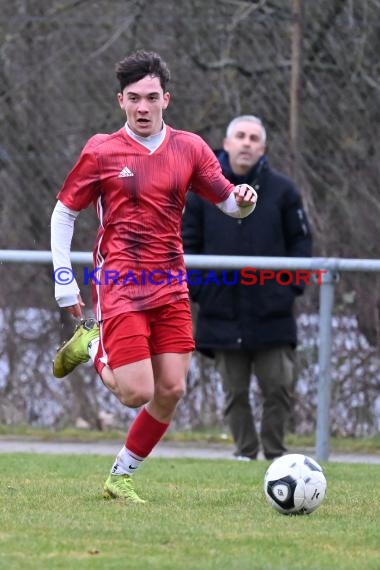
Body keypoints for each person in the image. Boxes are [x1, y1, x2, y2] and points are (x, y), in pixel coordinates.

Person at [50, 51, 257, 503]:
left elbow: (229, 203)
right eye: (133, 99)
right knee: (136, 393)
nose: (142, 108)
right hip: (119, 280)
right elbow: (64, 212)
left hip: (170, 281)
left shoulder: (190, 148)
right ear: (120, 101)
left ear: (166, 98)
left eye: (150, 98)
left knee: (172, 388)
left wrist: (246, 198)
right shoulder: (102, 150)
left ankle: (120, 477)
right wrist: (63, 278)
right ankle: (96, 345)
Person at [182, 115, 312, 461]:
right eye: (240, 136)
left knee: (278, 388)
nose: (247, 143)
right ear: (226, 143)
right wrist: (204, 291)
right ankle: (244, 453)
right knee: (234, 391)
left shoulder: (284, 191)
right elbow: (186, 246)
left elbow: (301, 243)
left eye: (254, 138)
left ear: (263, 148)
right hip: (221, 312)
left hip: (272, 312)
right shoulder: (202, 191)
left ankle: (275, 456)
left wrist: (287, 290)